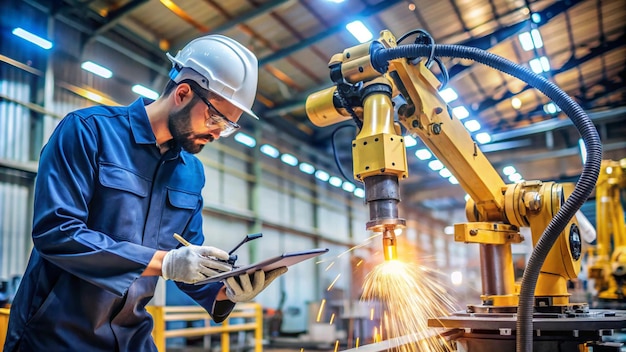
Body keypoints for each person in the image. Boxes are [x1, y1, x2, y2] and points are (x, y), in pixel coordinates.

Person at [3, 34, 287, 352]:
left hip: (130, 339)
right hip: (55, 337)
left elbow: (187, 262)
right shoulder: (88, 132)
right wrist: (165, 262)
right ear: (182, 93)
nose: (219, 133)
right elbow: (57, 233)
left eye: (229, 126)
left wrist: (228, 291)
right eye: (216, 118)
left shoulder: (190, 173)